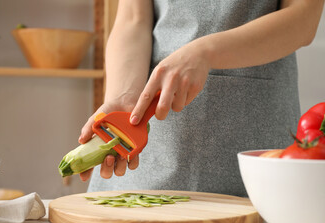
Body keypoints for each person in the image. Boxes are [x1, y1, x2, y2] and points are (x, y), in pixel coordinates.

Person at [78, 0, 324, 197]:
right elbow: (132, 19)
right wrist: (124, 99)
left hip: (254, 150)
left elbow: (303, 18)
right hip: (151, 153)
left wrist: (205, 52)